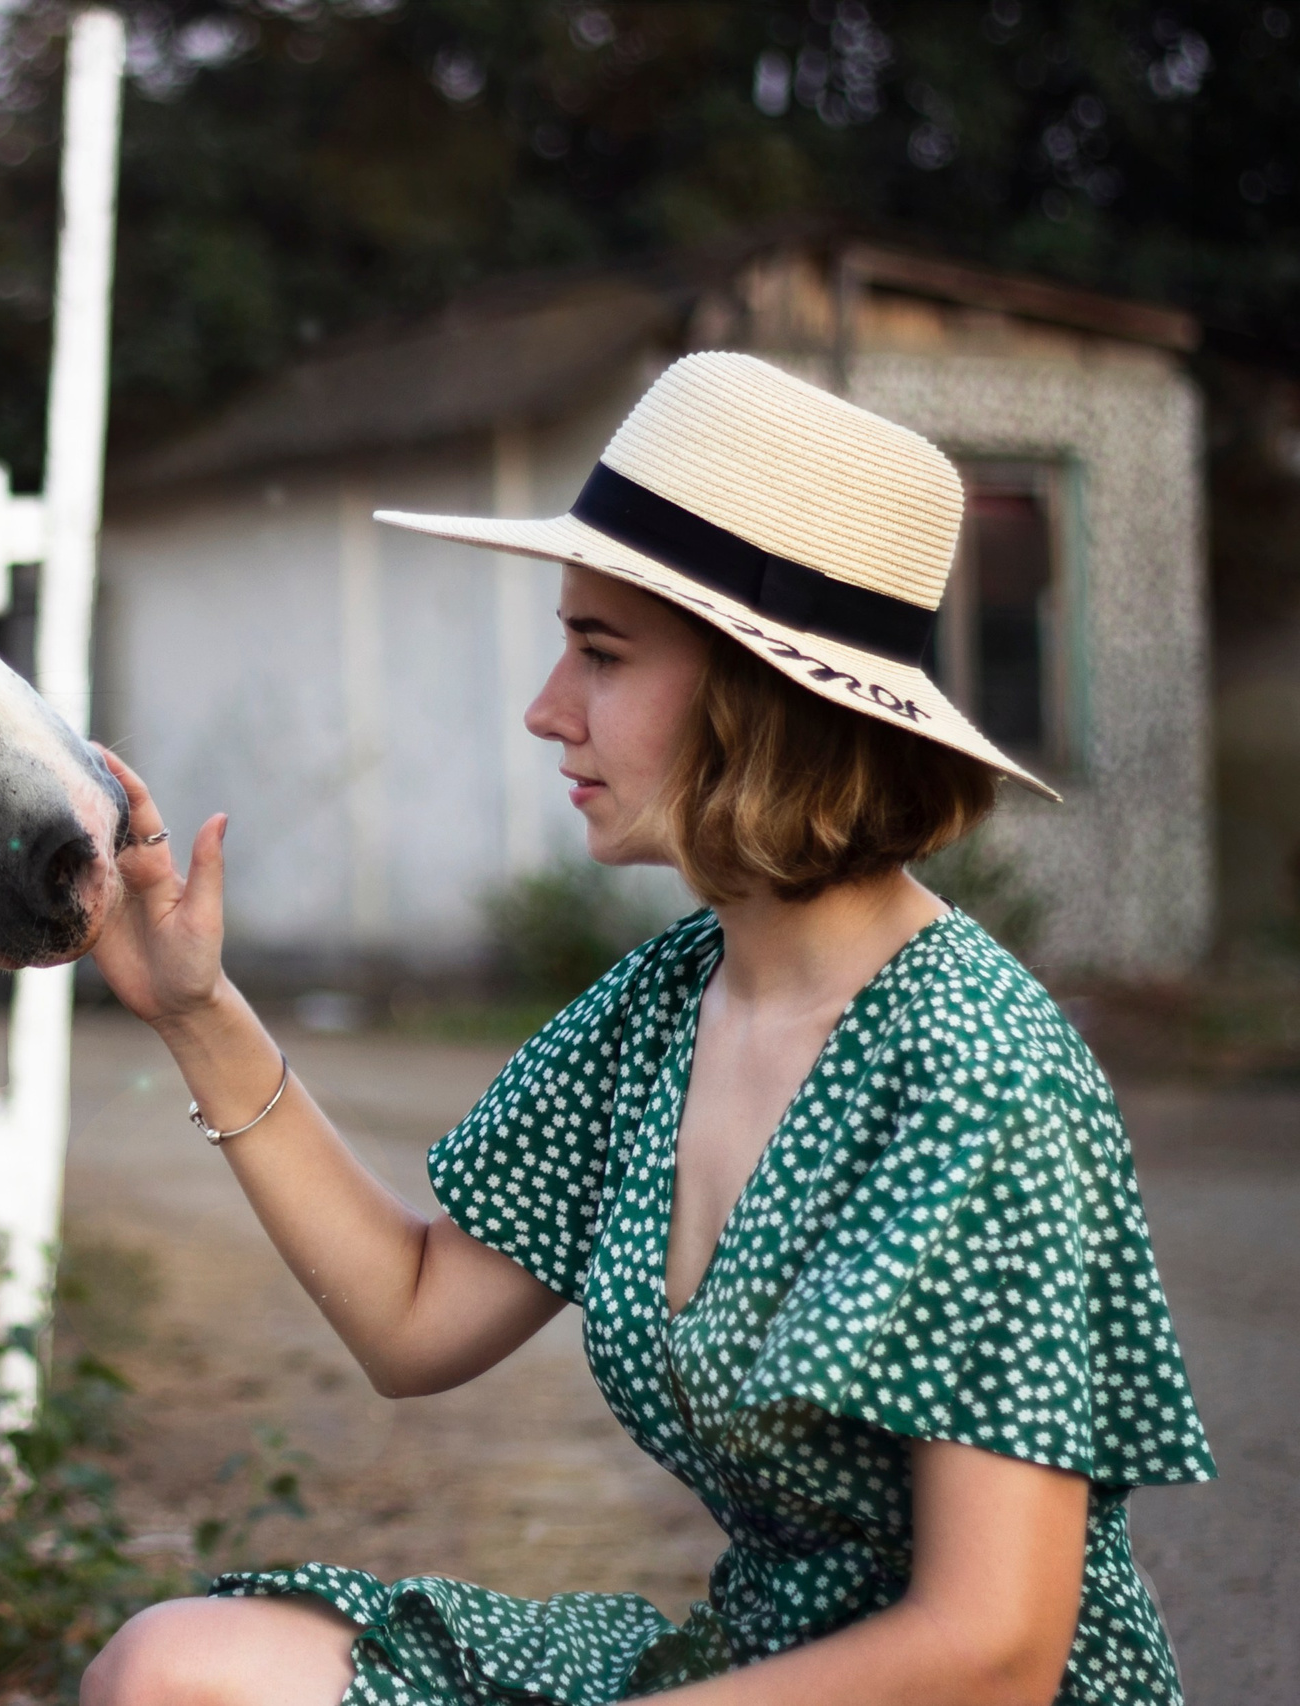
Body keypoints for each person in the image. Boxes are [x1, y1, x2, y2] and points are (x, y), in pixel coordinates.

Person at [78, 353, 1211, 1706]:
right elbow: (414, 1315)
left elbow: (996, 1647)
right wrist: (198, 1010)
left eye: (602, 653)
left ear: (761, 692)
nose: (548, 708)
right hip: (751, 1669)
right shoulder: (666, 1001)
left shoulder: (977, 1072)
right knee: (178, 1670)